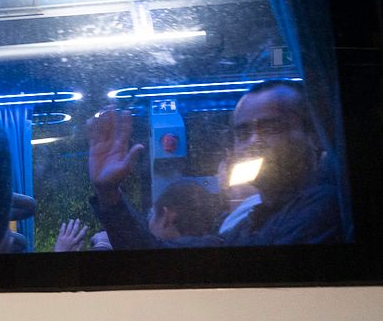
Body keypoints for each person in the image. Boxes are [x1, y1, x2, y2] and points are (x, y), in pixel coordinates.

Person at [87, 81, 343, 248]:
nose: (254, 141)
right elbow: (157, 258)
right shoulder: (253, 222)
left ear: (315, 136)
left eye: (271, 128)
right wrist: (108, 191)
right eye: (243, 133)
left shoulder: (325, 209)